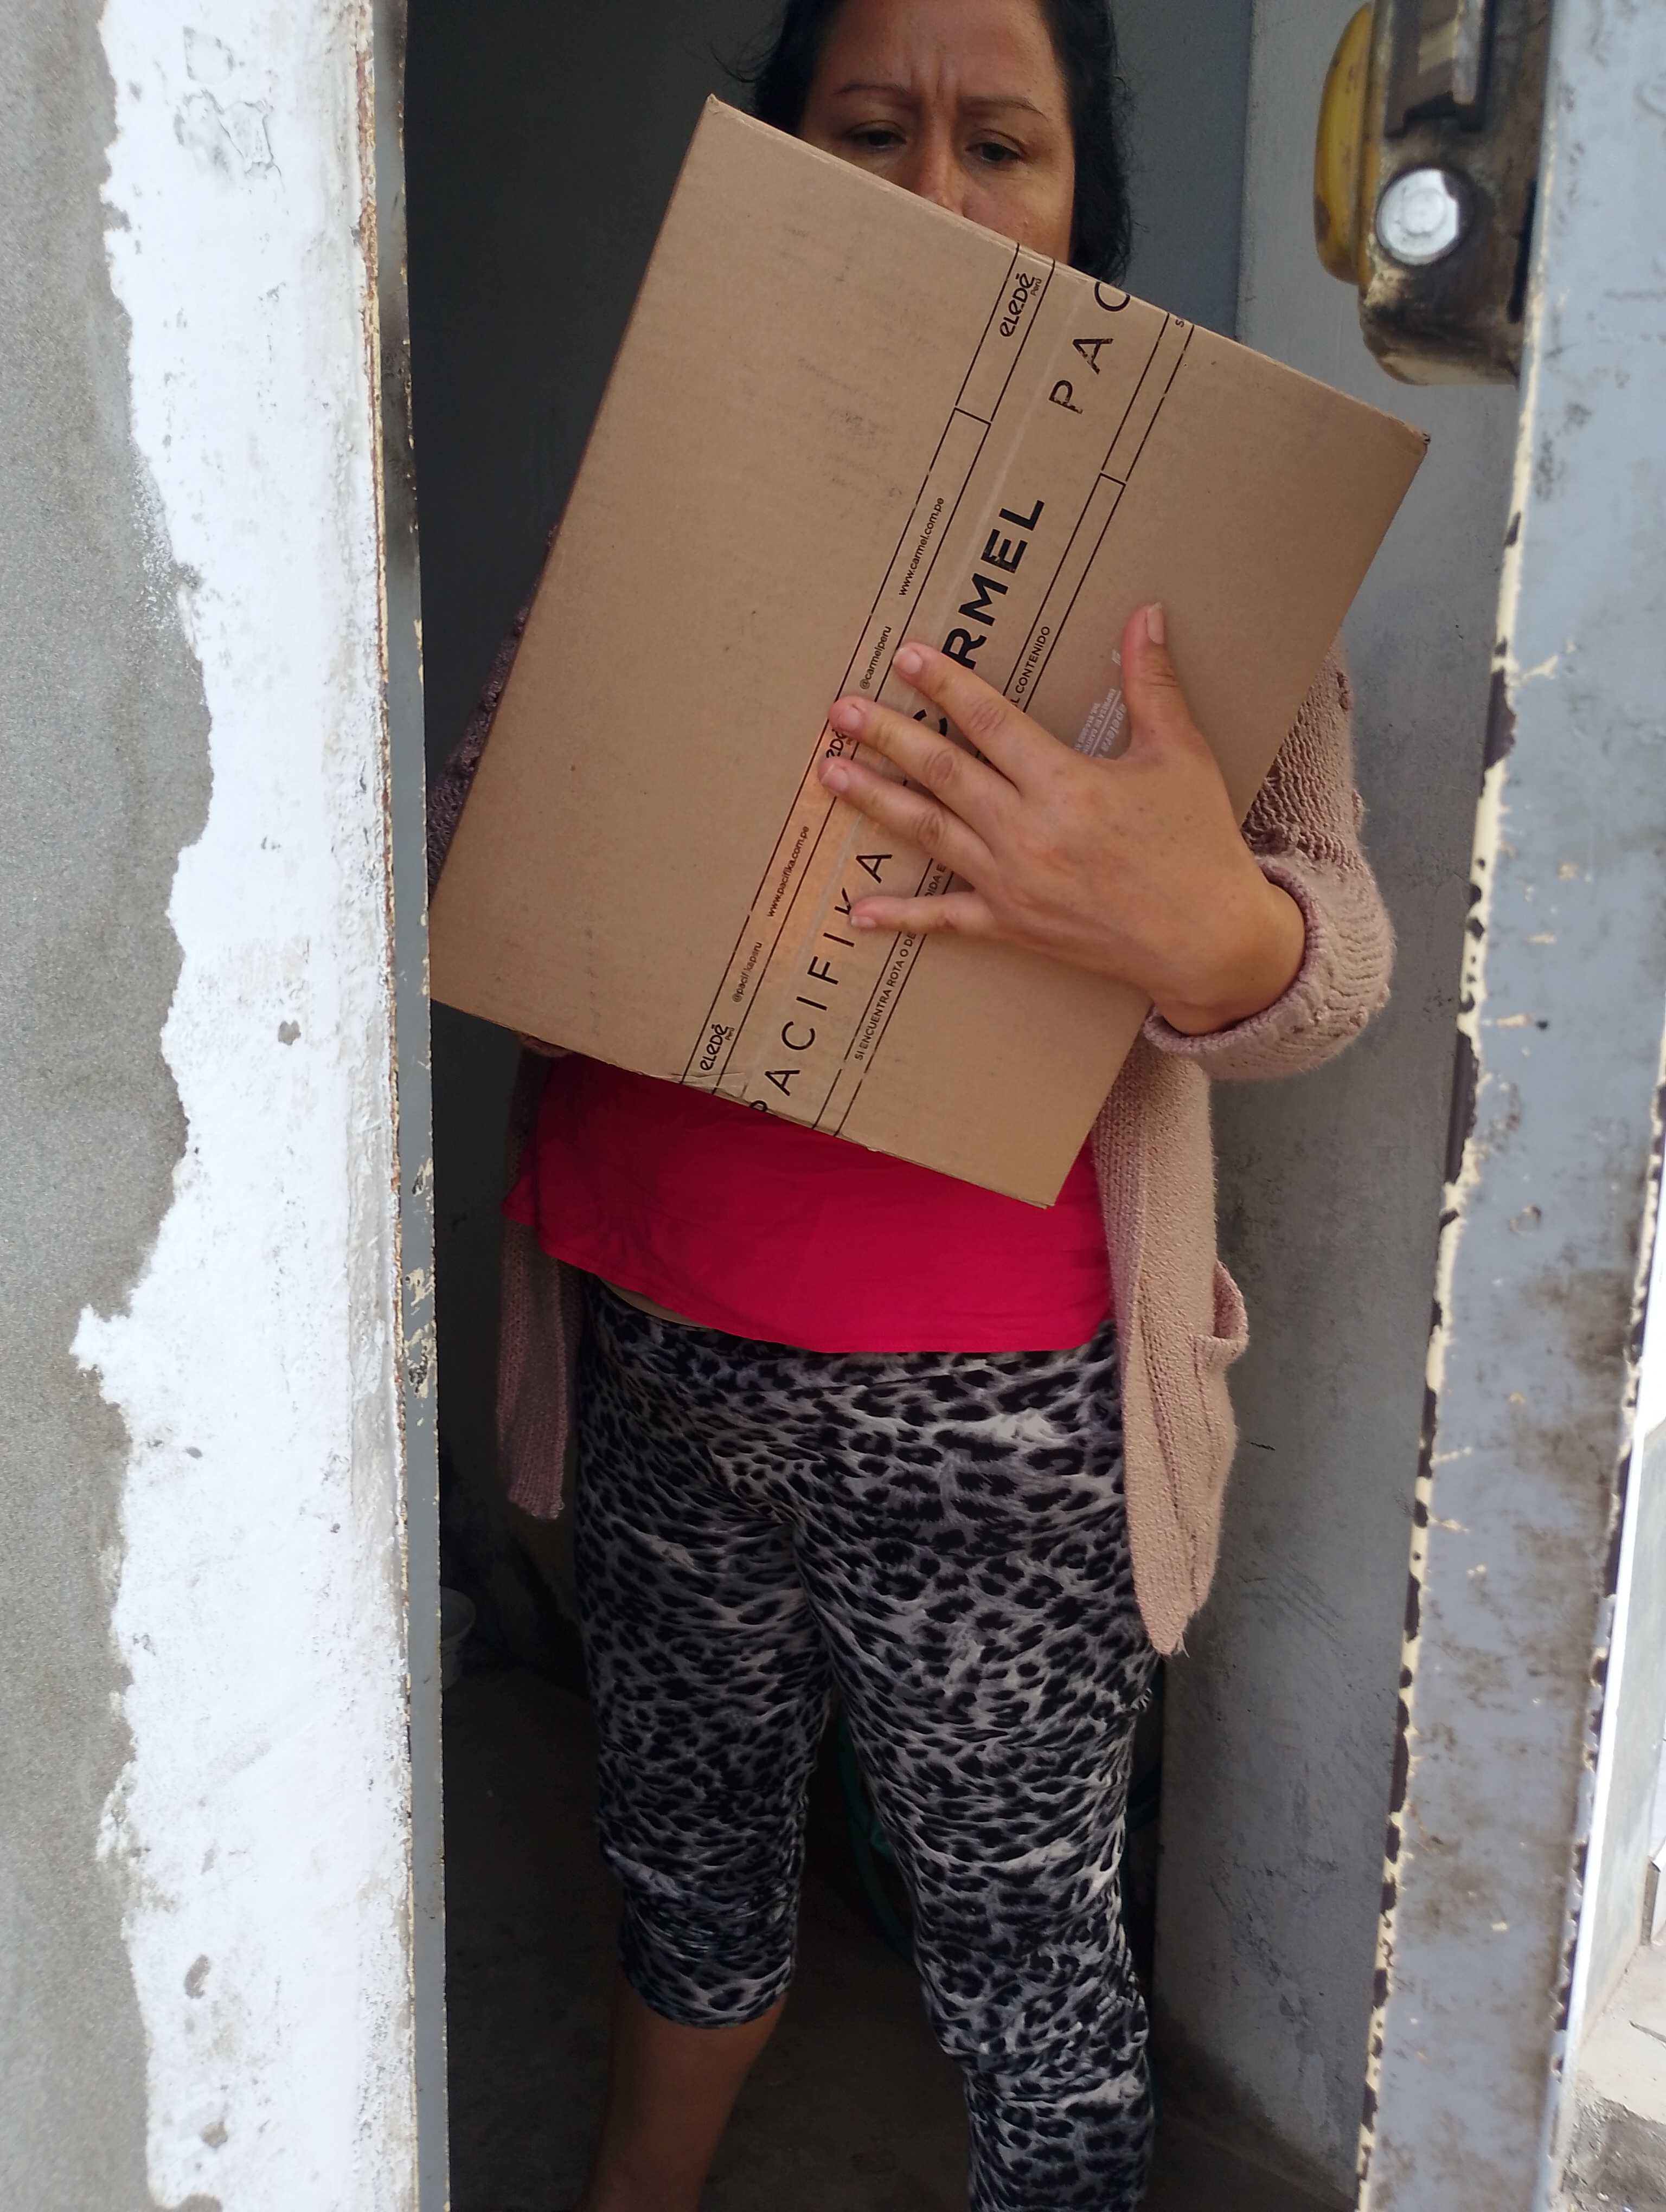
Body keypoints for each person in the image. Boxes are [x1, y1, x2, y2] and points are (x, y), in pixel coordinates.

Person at [426, 1, 1394, 2205]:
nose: (935, 193)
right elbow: (478, 855)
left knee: (1025, 1945)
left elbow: (1330, 947)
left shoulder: (1191, 532)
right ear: (782, 163)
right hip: (659, 1331)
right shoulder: (675, 467)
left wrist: (1208, 928)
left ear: (1080, 207)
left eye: (1001, 143)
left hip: (1004, 1405)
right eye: (868, 129)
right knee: (678, 1850)